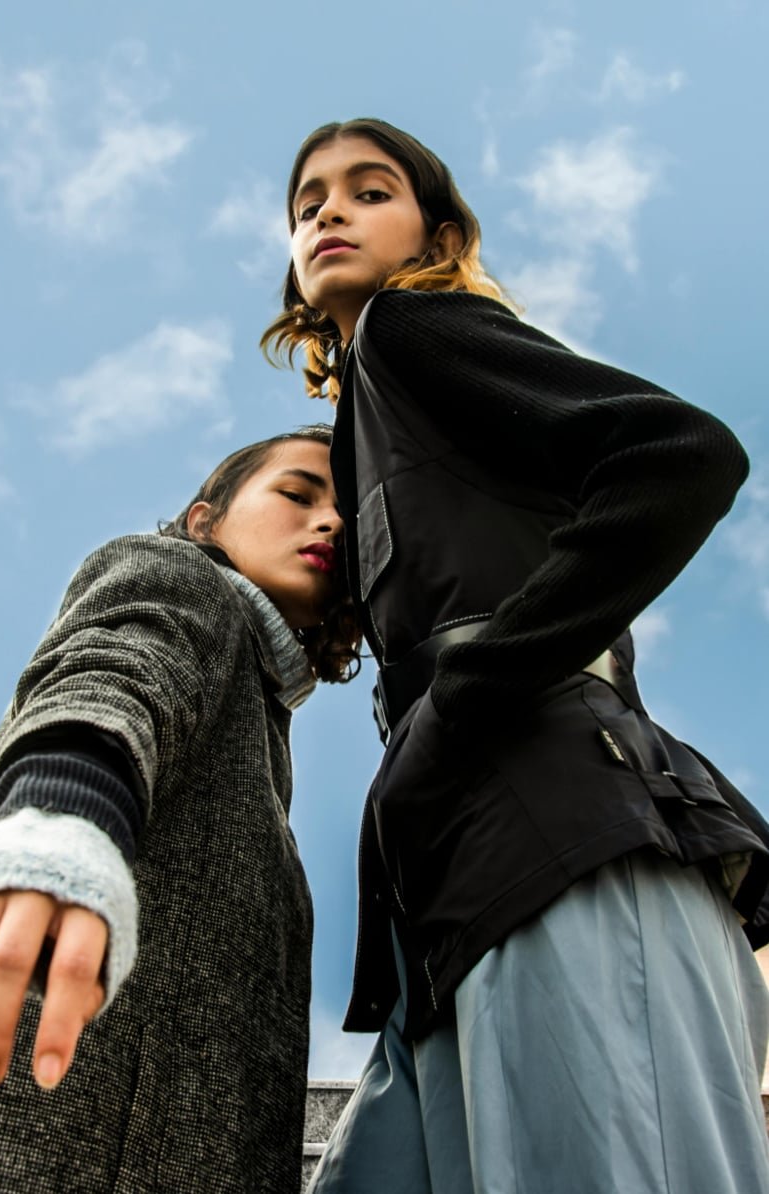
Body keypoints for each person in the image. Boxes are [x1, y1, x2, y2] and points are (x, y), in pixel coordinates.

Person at [262, 118, 769, 1194]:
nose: (330, 212)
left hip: (562, 840)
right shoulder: (372, 421)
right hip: (451, 891)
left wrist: (467, 691)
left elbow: (681, 456)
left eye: (368, 191)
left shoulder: (408, 326)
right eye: (308, 205)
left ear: (437, 235)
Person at [0, 426, 359, 1194]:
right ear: (204, 521)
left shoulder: (261, 728)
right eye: (296, 493)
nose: (329, 521)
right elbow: (118, 668)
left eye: (348, 513)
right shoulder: (181, 577)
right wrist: (61, 820)